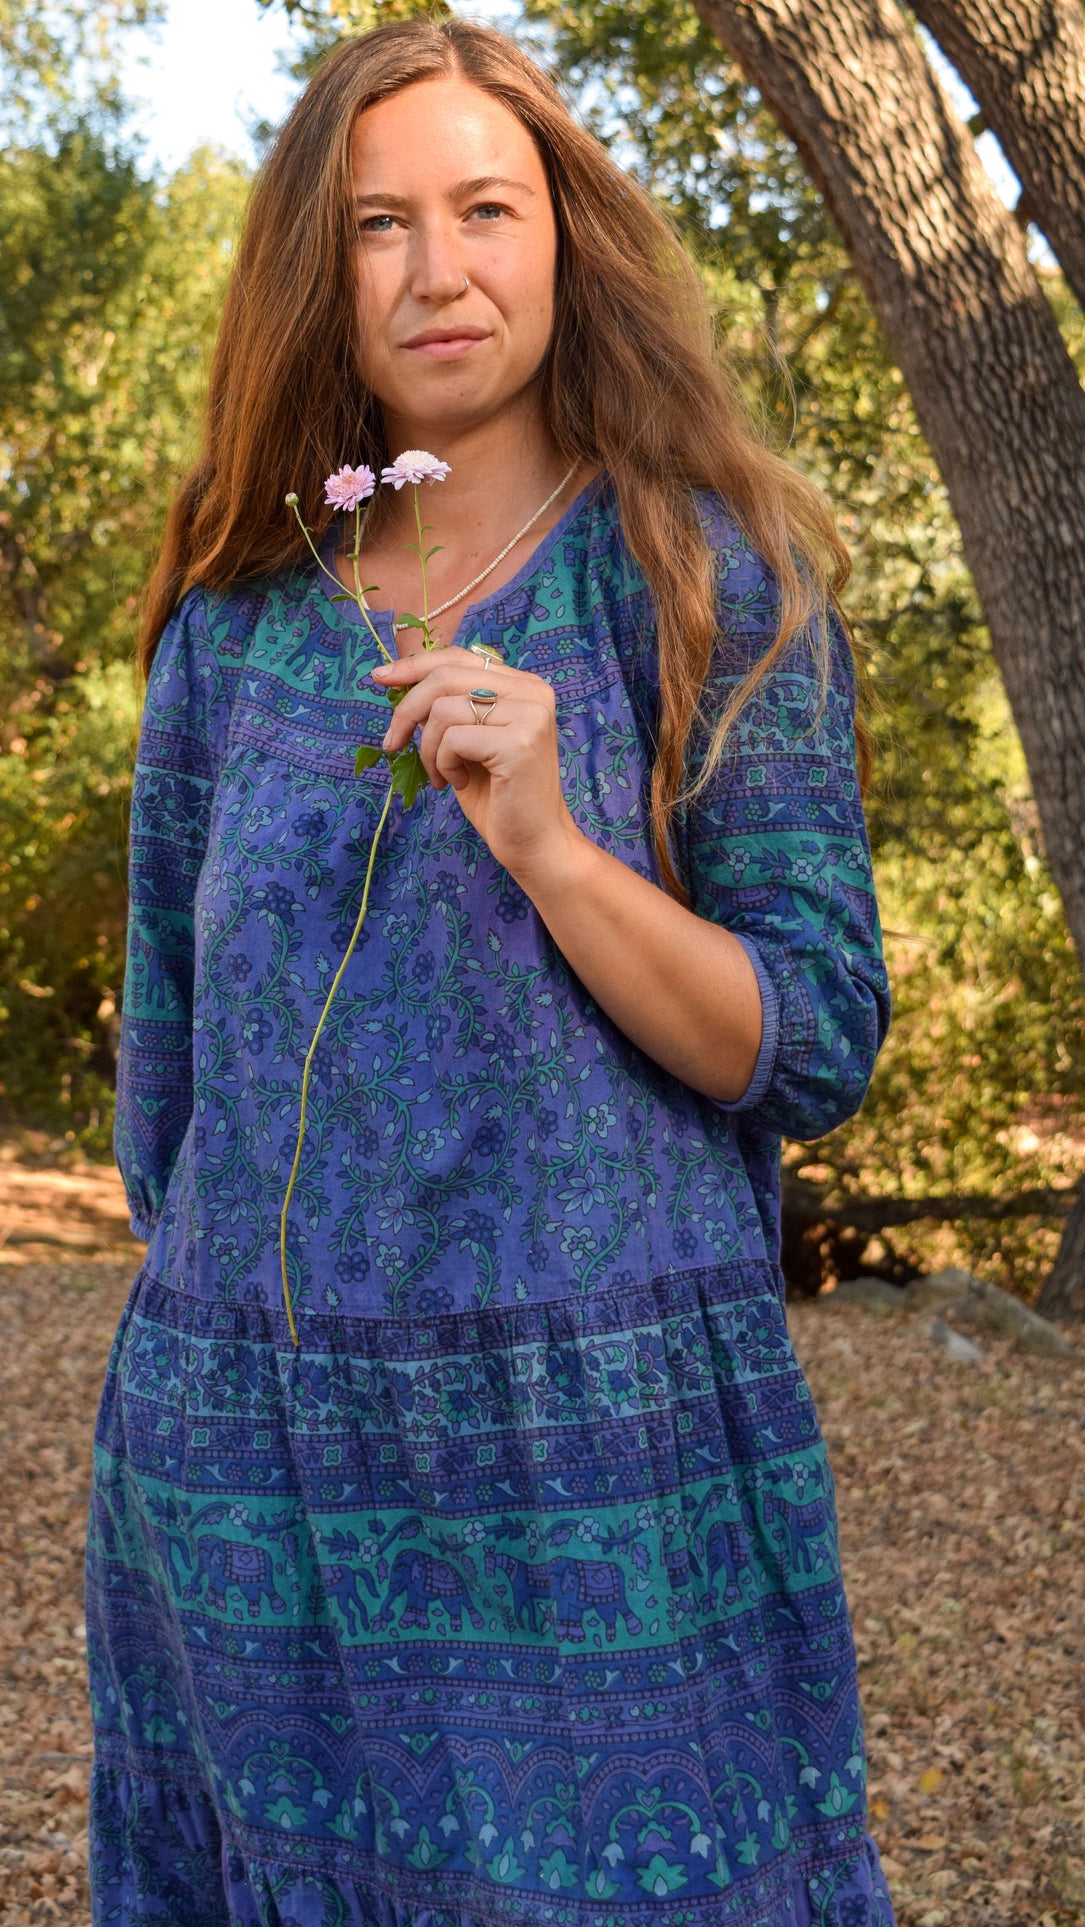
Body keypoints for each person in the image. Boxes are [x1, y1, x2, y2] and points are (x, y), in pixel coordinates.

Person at [89, 18, 894, 1925]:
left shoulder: (702, 575)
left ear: (564, 236)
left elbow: (808, 1038)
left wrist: (547, 840)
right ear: (319, 272)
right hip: (251, 1484)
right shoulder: (236, 627)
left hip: (596, 1486)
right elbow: (172, 1103)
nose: (437, 270)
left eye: (484, 208)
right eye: (377, 225)